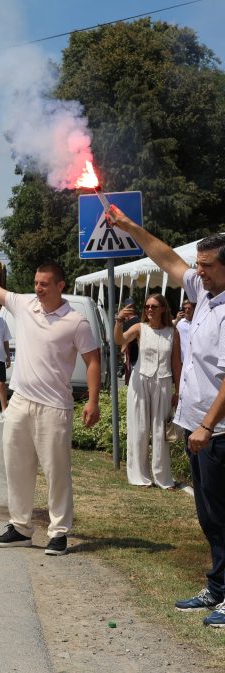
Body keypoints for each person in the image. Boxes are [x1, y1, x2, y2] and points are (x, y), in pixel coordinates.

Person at [108, 206, 225, 626]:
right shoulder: (205, 293)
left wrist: (207, 425)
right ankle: (218, 586)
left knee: (222, 513)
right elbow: (167, 258)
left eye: (207, 266)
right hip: (197, 427)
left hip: (217, 430)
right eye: (199, 265)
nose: (198, 272)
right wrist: (129, 227)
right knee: (209, 515)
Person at [0, 260, 100, 556]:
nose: (38, 288)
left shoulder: (76, 321)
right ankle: (20, 528)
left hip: (54, 407)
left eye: (44, 284)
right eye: (36, 283)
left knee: (56, 472)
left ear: (60, 285)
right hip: (20, 401)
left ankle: (58, 532)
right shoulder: (25, 305)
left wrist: (93, 400)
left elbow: (93, 361)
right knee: (16, 467)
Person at [113, 294, 180, 488]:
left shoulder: (172, 332)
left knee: (161, 430)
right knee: (139, 428)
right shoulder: (139, 328)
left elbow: (176, 363)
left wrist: (178, 391)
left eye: (154, 306)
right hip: (140, 381)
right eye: (147, 306)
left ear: (163, 309)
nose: (149, 309)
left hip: (164, 383)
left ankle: (162, 477)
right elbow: (119, 340)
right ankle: (139, 476)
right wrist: (119, 320)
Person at [176, 299, 194, 368]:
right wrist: (177, 320)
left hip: (194, 359)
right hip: (181, 359)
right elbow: (169, 330)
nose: (187, 310)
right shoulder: (179, 323)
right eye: (185, 308)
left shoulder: (197, 322)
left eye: (189, 308)